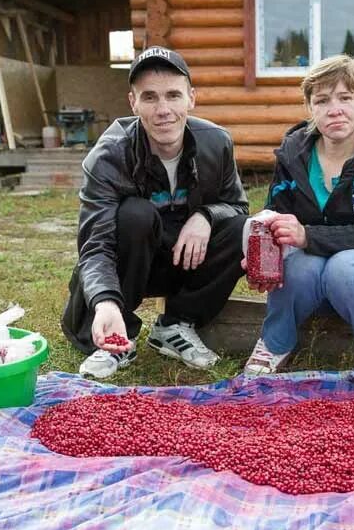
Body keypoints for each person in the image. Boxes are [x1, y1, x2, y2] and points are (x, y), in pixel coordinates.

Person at [62, 46, 248, 377]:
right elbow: (96, 244)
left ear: (191, 98)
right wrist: (105, 301)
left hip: (183, 259)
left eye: (173, 95)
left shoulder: (216, 143)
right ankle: (117, 332)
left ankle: (175, 325)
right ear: (133, 103)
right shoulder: (108, 156)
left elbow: (237, 205)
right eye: (150, 98)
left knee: (241, 227)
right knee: (136, 214)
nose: (163, 109)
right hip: (131, 263)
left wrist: (205, 216)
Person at [243, 54, 354, 378]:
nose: (334, 108)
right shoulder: (293, 154)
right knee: (297, 265)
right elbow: (275, 216)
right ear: (310, 108)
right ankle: (274, 344)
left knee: (345, 265)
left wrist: (307, 236)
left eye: (345, 97)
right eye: (322, 100)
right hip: (315, 279)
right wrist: (260, 256)